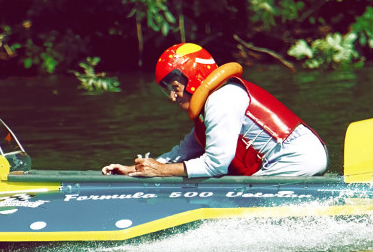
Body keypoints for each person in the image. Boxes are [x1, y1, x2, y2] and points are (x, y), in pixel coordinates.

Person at [102, 42, 327, 178]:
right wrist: (133, 169)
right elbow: (184, 152)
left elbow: (216, 164)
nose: (172, 97)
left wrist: (162, 172)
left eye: (174, 88)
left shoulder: (222, 100)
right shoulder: (215, 102)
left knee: (238, 196)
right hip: (295, 159)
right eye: (166, 91)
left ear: (193, 80)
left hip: (297, 159)